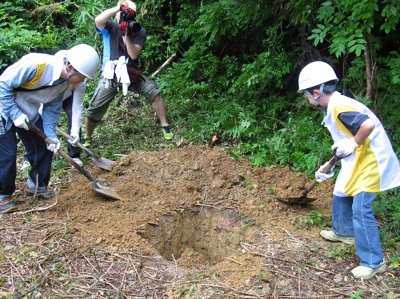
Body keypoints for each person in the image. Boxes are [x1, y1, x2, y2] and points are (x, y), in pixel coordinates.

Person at [297, 61, 400, 279]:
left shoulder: (340, 107)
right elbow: (344, 144)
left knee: (361, 210)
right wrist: (329, 166)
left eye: (306, 95)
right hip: (358, 158)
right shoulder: (335, 106)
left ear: (316, 92)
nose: (306, 99)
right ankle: (344, 231)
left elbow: (368, 126)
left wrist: (353, 143)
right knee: (341, 189)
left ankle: (373, 261)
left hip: (373, 161)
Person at [0, 44, 100, 212]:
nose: (83, 81)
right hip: (3, 106)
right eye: (82, 76)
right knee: (7, 153)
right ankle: (3, 196)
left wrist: (51, 135)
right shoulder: (37, 66)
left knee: (44, 147)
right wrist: (14, 114)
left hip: (26, 109)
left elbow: (52, 109)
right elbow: (3, 85)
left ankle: (36, 186)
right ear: (70, 67)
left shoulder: (64, 83)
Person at [83, 0, 173, 147]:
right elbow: (98, 20)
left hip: (131, 72)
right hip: (111, 74)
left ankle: (165, 125)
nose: (126, 17)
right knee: (95, 107)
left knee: (153, 92)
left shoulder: (138, 30)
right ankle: (87, 137)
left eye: (130, 13)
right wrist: (119, 8)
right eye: (124, 13)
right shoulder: (110, 26)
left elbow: (134, 55)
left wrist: (126, 34)